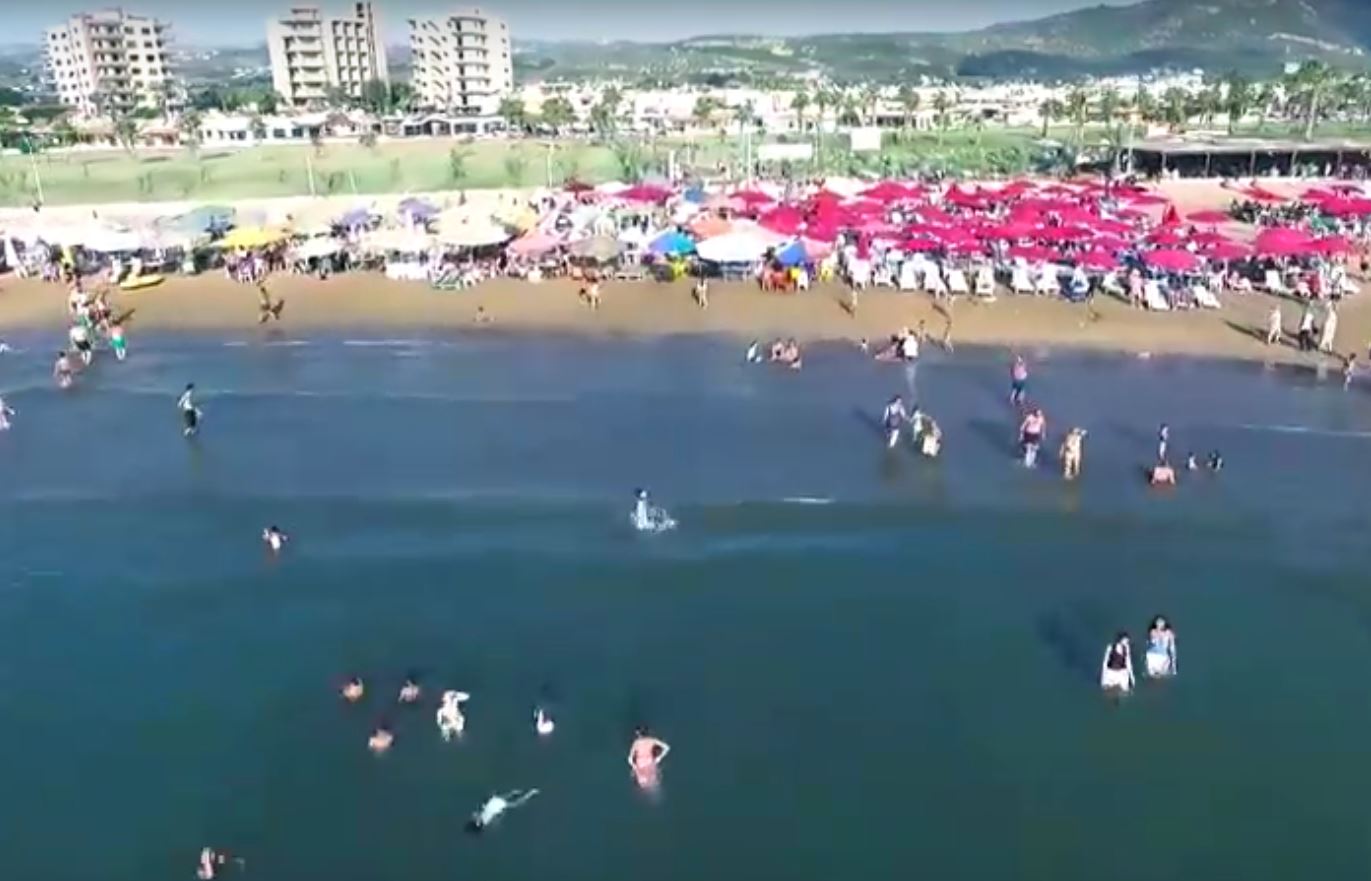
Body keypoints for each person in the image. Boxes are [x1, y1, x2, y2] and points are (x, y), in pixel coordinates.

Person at [467, 789, 540, 834]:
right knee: (514, 803)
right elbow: (480, 815)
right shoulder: (484, 820)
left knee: (509, 801)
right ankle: (529, 793)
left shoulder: (483, 821)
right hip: (494, 807)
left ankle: (518, 793)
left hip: (492, 806)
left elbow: (478, 814)